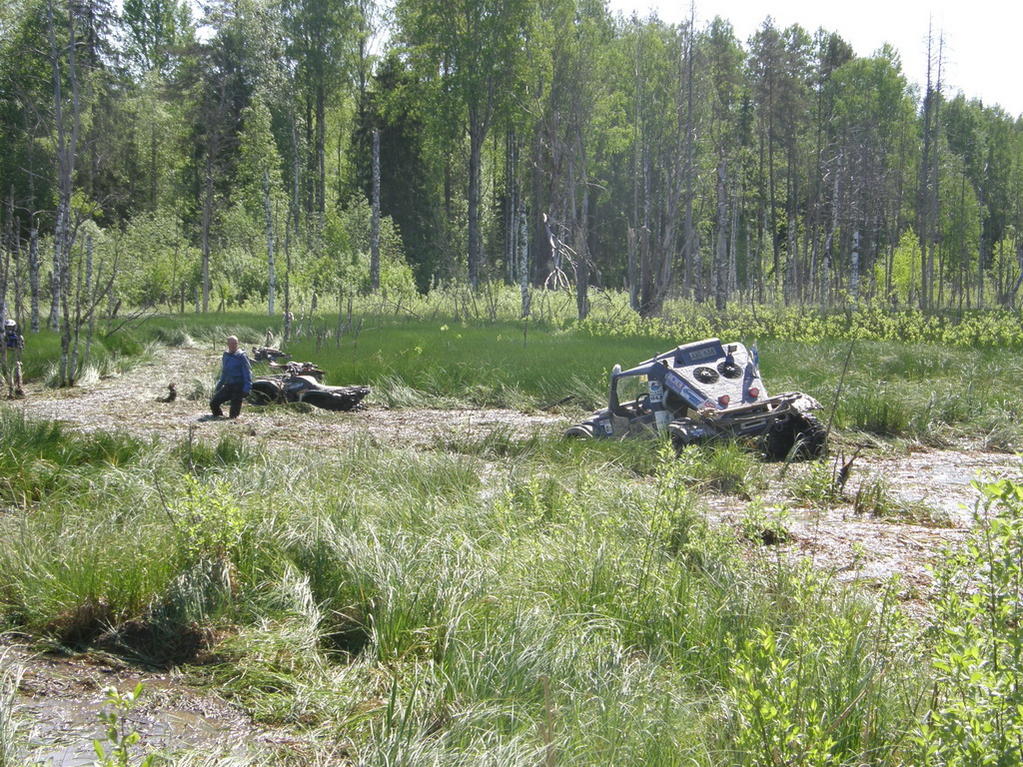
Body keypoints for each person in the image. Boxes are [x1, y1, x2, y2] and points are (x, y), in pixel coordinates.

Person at [210, 335, 252, 419]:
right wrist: (218, 386)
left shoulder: (242, 356)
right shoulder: (226, 355)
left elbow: (247, 373)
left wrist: (247, 388)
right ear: (228, 344)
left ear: (237, 344)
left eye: (235, 343)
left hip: (239, 386)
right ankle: (218, 419)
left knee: (233, 416)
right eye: (231, 343)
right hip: (228, 385)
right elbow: (224, 373)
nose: (233, 345)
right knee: (213, 403)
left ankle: (231, 423)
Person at [3, 318, 24, 397]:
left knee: (18, 374)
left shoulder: (18, 337)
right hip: (6, 359)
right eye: (8, 328)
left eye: (11, 327)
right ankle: (10, 392)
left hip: (15, 359)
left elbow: (20, 349)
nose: (9, 330)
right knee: (9, 375)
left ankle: (19, 389)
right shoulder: (3, 337)